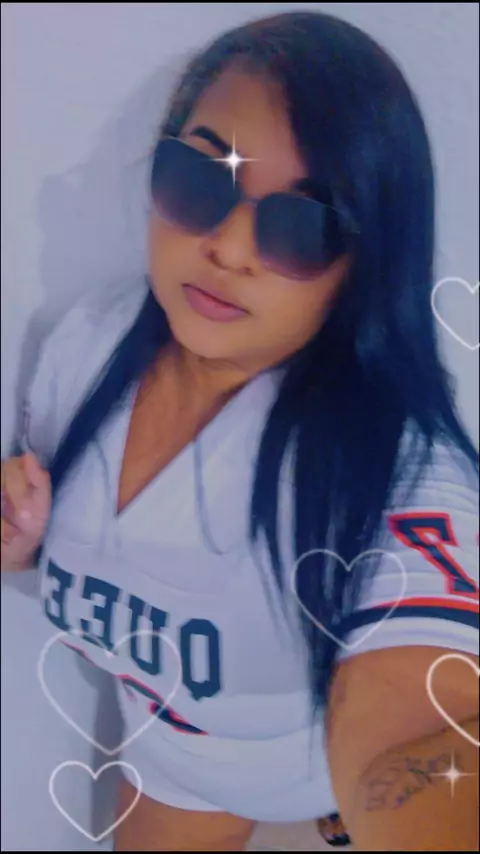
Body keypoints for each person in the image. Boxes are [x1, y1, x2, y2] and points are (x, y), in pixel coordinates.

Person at [1, 10, 478, 852]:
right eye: (200, 179)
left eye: (304, 225)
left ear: (367, 259)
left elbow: (423, 728)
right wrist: (23, 547)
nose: (228, 247)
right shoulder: (85, 348)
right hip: (172, 759)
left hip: (311, 767)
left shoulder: (397, 471)